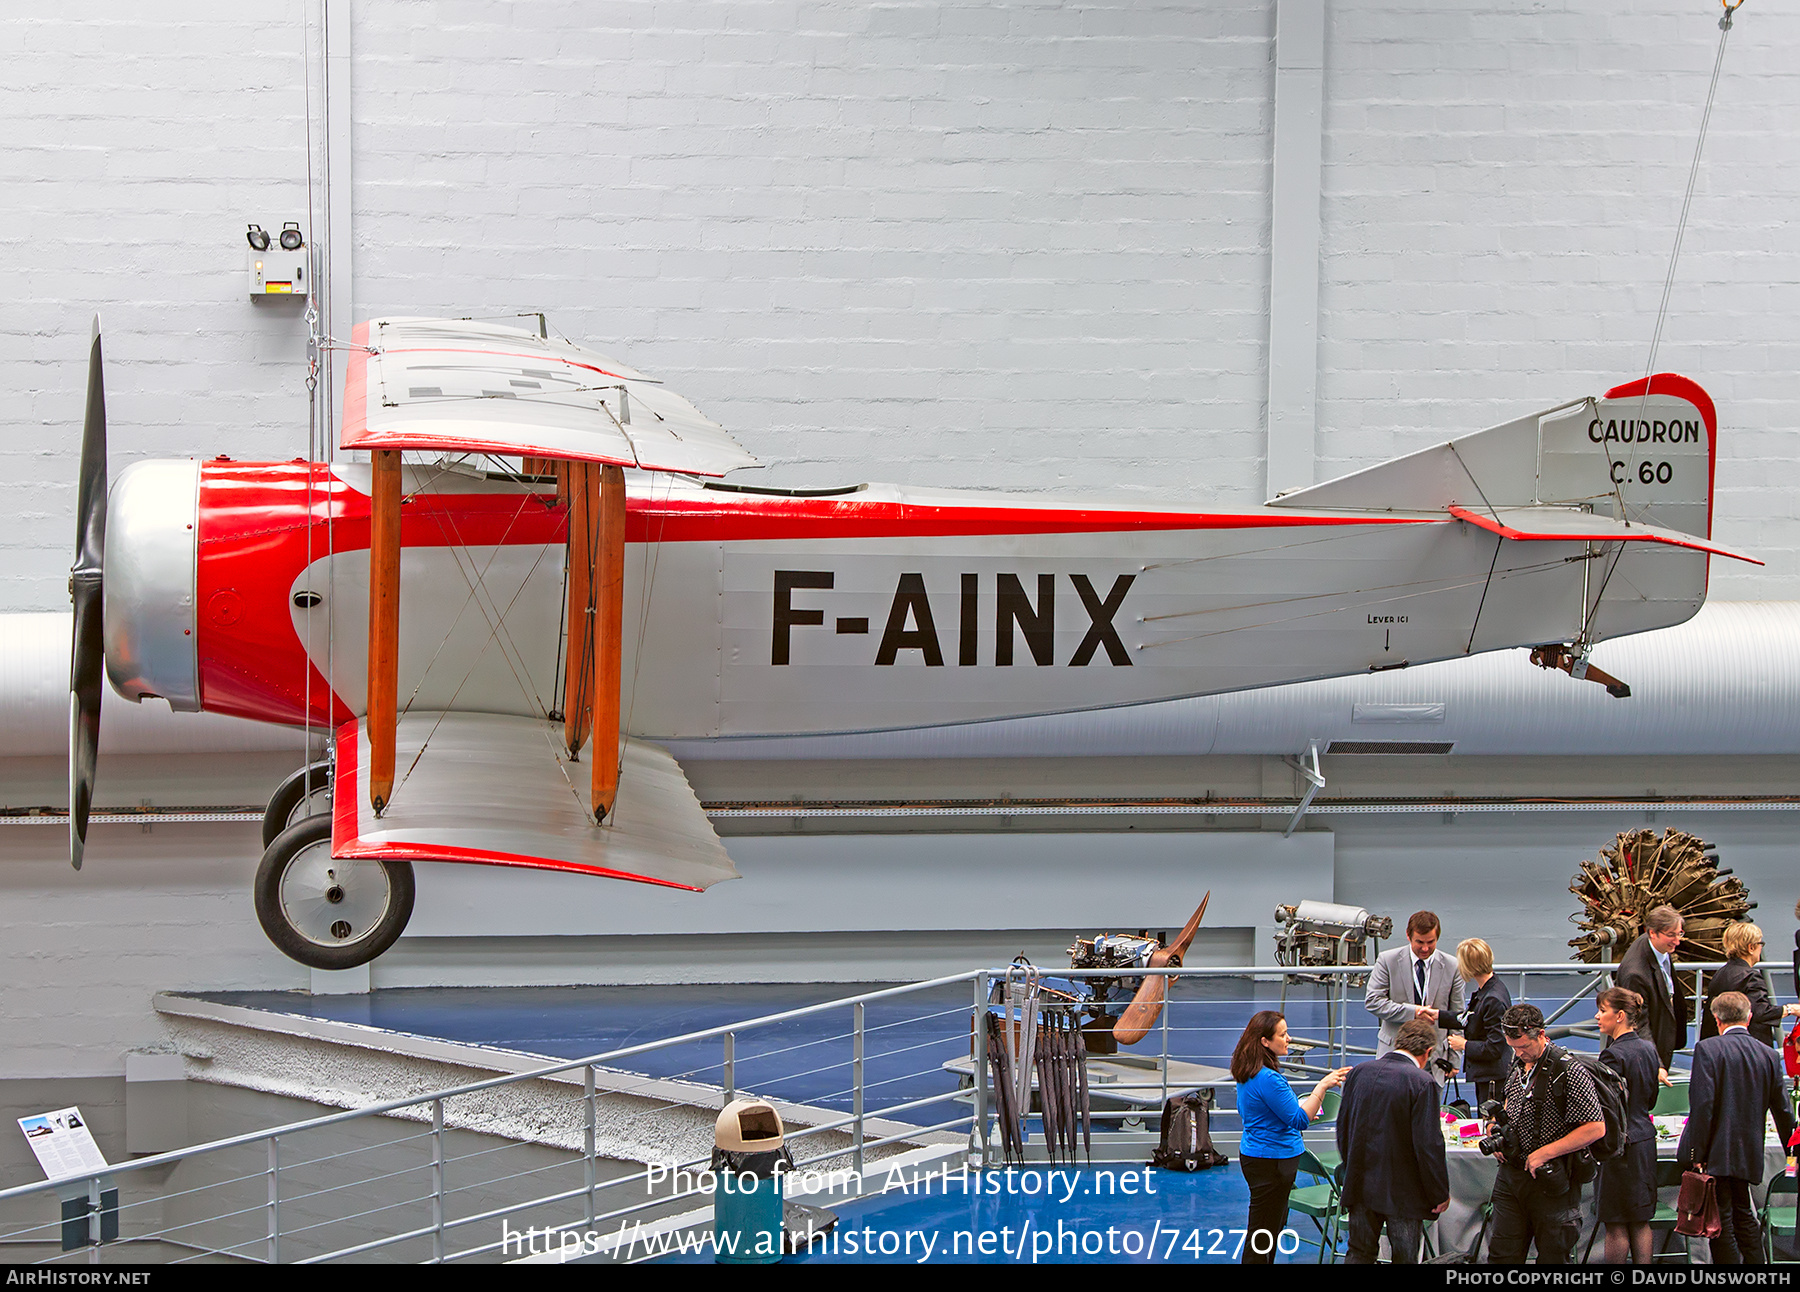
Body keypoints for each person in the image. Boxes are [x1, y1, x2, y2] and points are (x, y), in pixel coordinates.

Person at [1676, 990, 1799, 1264]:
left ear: (1716, 1018)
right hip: (1749, 1151)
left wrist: (1696, 1154)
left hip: (1716, 1153)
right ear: (1750, 1017)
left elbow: (1703, 1107)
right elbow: (1782, 1110)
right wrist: (1792, 1154)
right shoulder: (1767, 1054)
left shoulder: (1707, 1049)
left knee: (1722, 1221)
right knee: (1744, 1215)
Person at [1484, 1003, 1607, 1264]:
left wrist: (1545, 1152)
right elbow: (1509, 1104)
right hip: (1512, 1175)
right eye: (1513, 1047)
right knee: (1501, 1255)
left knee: (1553, 1257)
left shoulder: (1569, 1070)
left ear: (1541, 1035)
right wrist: (1496, 1130)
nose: (1519, 1053)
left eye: (1524, 1047)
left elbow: (1596, 1127)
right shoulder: (1517, 1063)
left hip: (1551, 1179)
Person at [1230, 1010, 1351, 1264]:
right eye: (1283, 1035)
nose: (1289, 1039)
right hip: (1272, 1162)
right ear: (1265, 1041)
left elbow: (1267, 1112)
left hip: (1258, 1156)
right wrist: (1322, 1087)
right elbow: (1298, 1120)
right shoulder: (1269, 1079)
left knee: (1265, 1232)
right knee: (1263, 1234)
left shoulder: (1248, 1071)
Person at [1335, 1017, 1451, 1263]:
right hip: (1403, 1193)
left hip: (1360, 1183)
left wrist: (1351, 1167)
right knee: (1405, 1258)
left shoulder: (1359, 1073)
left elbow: (1343, 1126)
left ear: (1398, 1042)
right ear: (1428, 1052)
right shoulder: (1422, 1082)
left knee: (1358, 1253)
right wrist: (1439, 1192)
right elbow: (1428, 1145)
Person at [1595, 986, 1660, 1264]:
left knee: (1617, 1222)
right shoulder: (1648, 1049)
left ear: (1619, 1015)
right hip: (1645, 1141)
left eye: (1602, 1011)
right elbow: (1652, 1099)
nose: (1597, 1017)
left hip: (1620, 1147)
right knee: (1640, 1220)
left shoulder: (1611, 1056)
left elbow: (1606, 1109)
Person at [1366, 910, 1464, 1084]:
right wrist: (1413, 1012)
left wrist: (1455, 1060)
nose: (1425, 948)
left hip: (1434, 1062)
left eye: (1431, 942)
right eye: (1419, 942)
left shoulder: (1452, 966)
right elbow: (1373, 1001)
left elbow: (1458, 1015)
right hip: (1394, 1055)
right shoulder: (1387, 960)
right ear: (1408, 935)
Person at [1614, 904, 1688, 1073]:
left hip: (1661, 1039)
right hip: (1644, 1060)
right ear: (1652, 933)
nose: (1677, 941)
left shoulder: (1659, 947)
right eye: (1671, 935)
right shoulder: (1635, 975)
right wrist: (1657, 1065)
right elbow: (1638, 1023)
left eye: (1679, 934)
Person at [1699, 921, 1800, 1046]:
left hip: (1721, 1044)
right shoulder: (1750, 976)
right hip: (1748, 1045)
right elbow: (1761, 1012)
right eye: (1760, 943)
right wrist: (1791, 1009)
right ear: (1751, 948)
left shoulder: (1720, 973)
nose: (1761, 947)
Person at [1442, 936, 1512, 1106]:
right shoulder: (1490, 990)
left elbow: (1494, 1047)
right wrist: (1438, 1016)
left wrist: (1463, 1044)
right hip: (1490, 1075)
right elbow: (1471, 1017)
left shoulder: (1493, 999)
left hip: (1493, 1077)